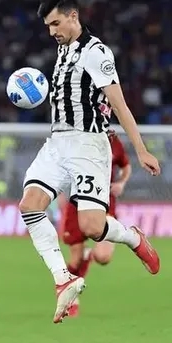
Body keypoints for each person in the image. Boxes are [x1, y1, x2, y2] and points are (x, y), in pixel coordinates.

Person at [18, 0, 161, 324]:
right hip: (57, 142)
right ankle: (63, 279)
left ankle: (132, 237)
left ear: (73, 16)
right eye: (48, 26)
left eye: (56, 23)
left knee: (93, 227)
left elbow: (120, 105)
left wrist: (141, 149)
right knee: (29, 205)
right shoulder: (63, 50)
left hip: (89, 145)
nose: (52, 31)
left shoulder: (96, 53)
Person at [61, 130, 132, 316]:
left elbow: (126, 165)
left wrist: (122, 183)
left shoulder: (113, 140)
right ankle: (70, 297)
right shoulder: (76, 137)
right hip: (76, 204)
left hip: (105, 204)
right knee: (75, 259)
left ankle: (88, 256)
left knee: (103, 256)